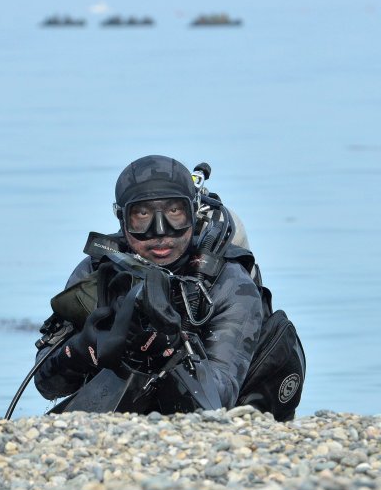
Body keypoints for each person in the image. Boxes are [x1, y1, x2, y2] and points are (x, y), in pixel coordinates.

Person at [33, 154, 271, 415]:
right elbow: (46, 386)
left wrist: (170, 353)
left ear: (193, 212)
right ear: (122, 219)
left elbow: (221, 398)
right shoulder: (97, 271)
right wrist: (82, 349)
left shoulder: (229, 282)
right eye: (143, 214)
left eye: (174, 212)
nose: (160, 232)